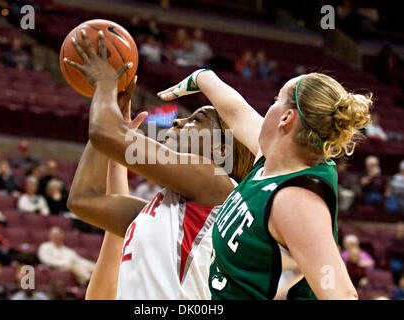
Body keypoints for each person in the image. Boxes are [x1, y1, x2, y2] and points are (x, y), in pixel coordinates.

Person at [64, 31, 255, 299]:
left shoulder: (216, 183)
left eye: (196, 121)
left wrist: (106, 85)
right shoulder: (162, 212)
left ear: (220, 149)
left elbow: (103, 133)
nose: (178, 122)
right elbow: (84, 200)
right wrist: (113, 118)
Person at [158, 68, 371, 299]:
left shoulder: (296, 201)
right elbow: (236, 111)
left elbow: (341, 294)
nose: (269, 107)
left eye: (276, 99)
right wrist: (201, 77)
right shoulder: (272, 163)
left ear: (286, 118)